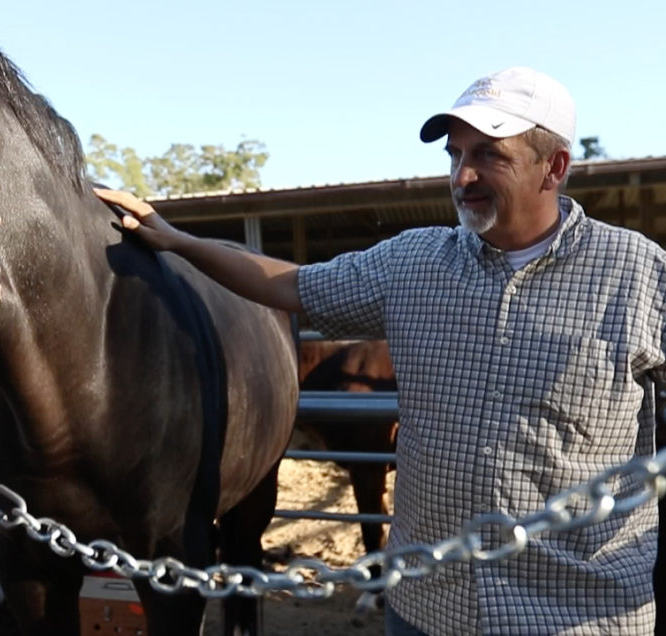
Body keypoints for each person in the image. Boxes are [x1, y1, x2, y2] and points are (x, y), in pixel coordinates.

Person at [95, 66, 665, 635]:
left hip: (579, 615)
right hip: (427, 610)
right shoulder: (411, 264)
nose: (462, 175)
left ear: (554, 168)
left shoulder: (641, 276)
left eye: (490, 155)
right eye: (455, 154)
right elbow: (288, 284)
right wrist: (177, 240)